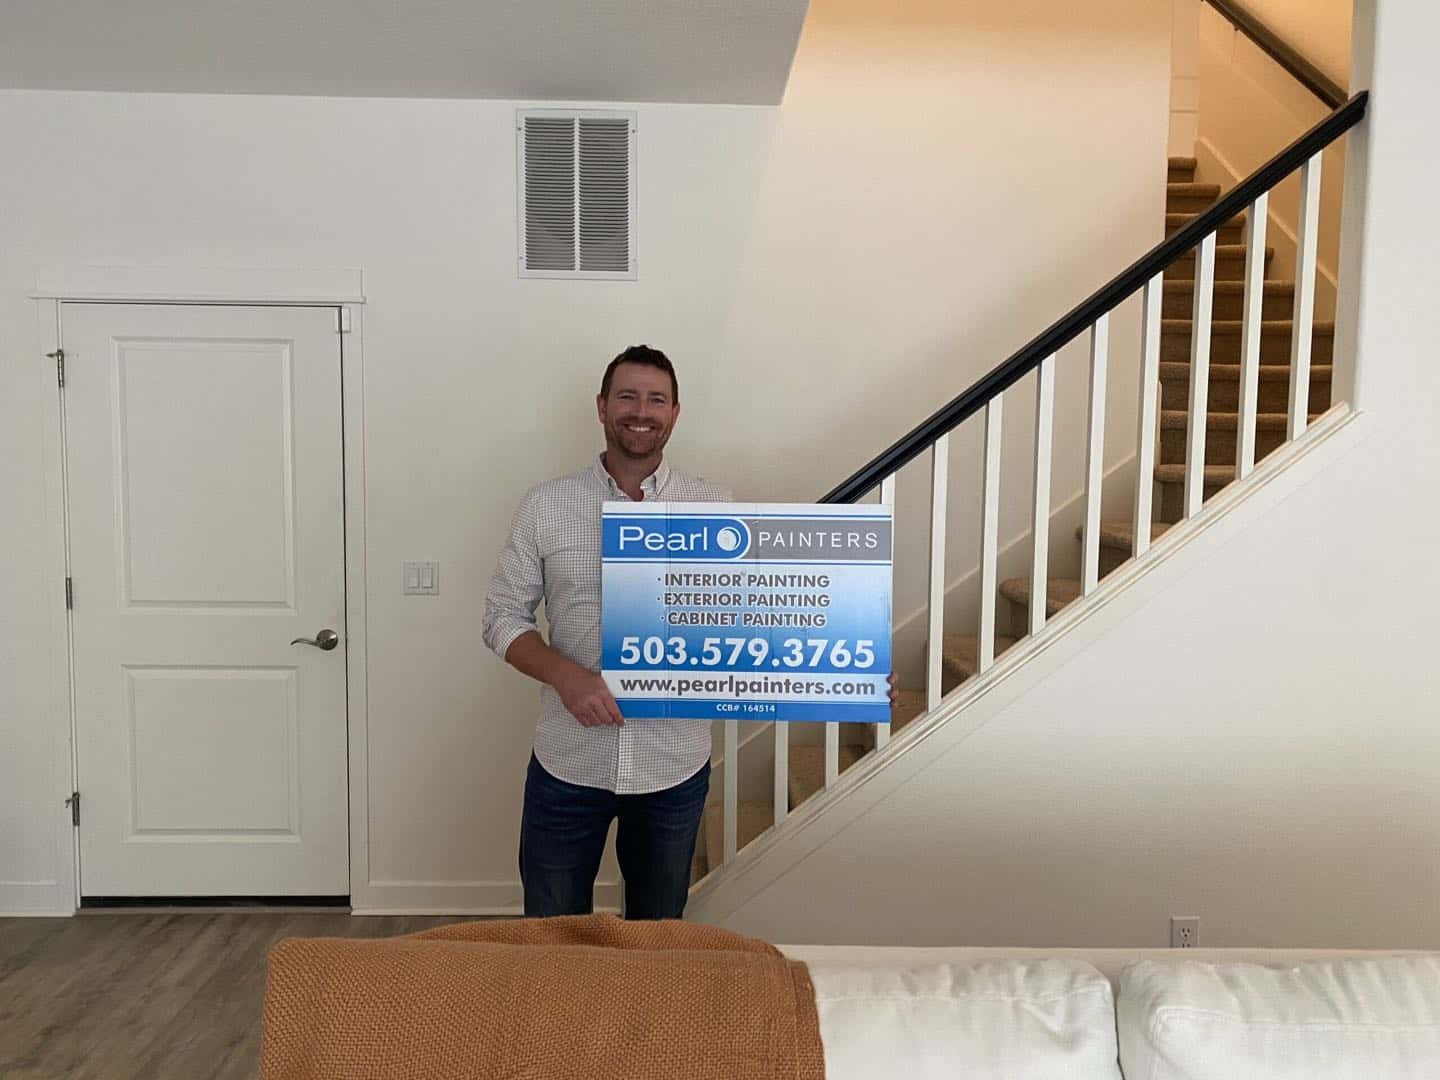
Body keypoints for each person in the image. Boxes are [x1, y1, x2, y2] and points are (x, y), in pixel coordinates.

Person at [483, 344, 895, 919]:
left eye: (656, 399)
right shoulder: (546, 506)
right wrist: (567, 675)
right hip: (568, 761)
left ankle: (645, 1014)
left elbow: (755, 618)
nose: (641, 411)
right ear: (602, 407)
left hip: (671, 764)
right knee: (552, 931)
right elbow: (503, 616)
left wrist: (849, 669)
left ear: (675, 414)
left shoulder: (714, 506)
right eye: (627, 396)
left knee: (658, 936)